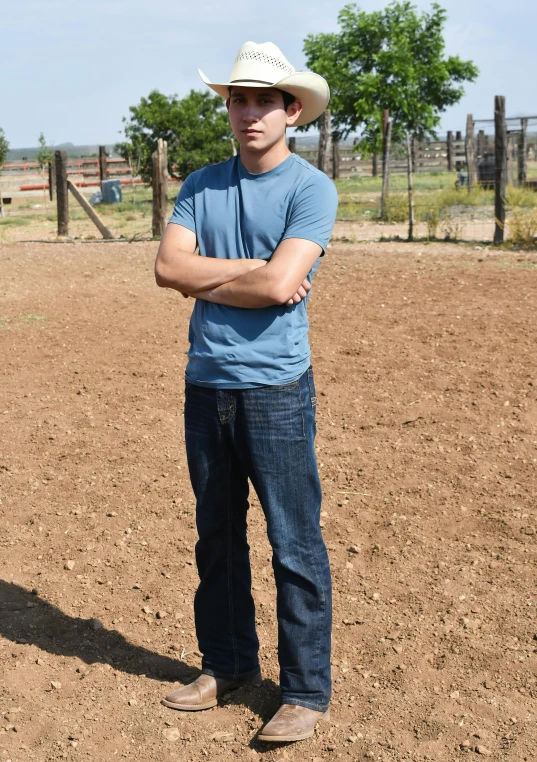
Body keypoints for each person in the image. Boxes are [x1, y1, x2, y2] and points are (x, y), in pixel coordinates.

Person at [154, 40, 338, 743]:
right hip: (207, 385)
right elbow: (167, 269)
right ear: (227, 106)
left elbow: (273, 282)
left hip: (275, 391)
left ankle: (303, 690)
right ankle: (226, 664)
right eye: (240, 98)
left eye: (265, 100)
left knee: (294, 542)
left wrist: (210, 273)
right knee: (216, 538)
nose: (251, 111)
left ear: (292, 110)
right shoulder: (201, 182)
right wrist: (254, 273)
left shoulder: (310, 188)